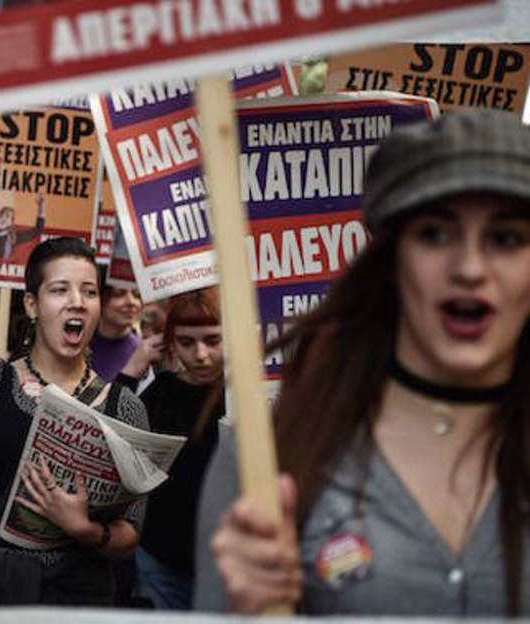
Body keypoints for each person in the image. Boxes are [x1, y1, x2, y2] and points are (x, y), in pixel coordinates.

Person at [194, 110, 530, 616]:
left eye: (506, 239)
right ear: (391, 260)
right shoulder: (269, 457)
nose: (469, 269)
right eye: (435, 234)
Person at [0, 146, 148, 606]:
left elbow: (131, 532)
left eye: (89, 291)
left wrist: (86, 529)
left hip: (83, 596)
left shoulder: (125, 407)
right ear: (32, 306)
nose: (77, 302)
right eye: (60, 290)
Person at [135, 289, 225, 610]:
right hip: (162, 562)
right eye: (187, 343)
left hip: (228, 564)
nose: (201, 355)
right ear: (170, 343)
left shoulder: (250, 398)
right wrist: (130, 373)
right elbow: (111, 438)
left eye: (213, 341)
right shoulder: (161, 392)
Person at [90, 286, 163, 388]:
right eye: (119, 294)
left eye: (137, 295)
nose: (131, 302)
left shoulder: (144, 352)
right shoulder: (77, 345)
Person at [0, 195, 45, 259]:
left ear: (11, 223)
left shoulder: (13, 237)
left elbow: (38, 230)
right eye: (1, 215)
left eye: (7, 216)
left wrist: (41, 206)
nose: (3, 218)